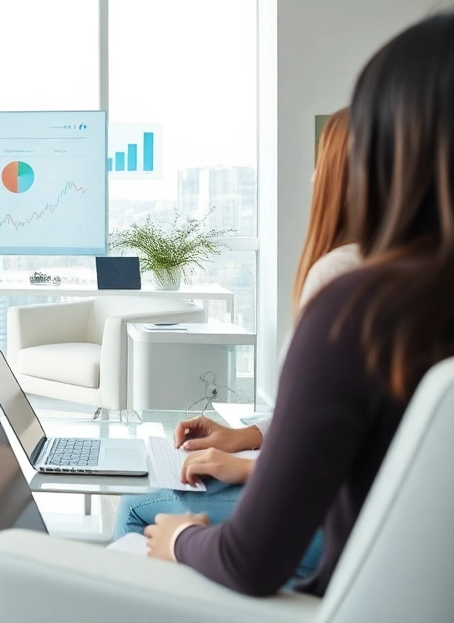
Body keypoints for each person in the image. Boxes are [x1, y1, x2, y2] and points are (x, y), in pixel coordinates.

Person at [142, 6, 454, 596]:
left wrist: (180, 538)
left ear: (386, 151)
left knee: (141, 523)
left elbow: (252, 561)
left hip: (350, 605)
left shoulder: (361, 311)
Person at [113, 108, 358, 581]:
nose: (311, 178)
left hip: (330, 526)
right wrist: (244, 439)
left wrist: (239, 475)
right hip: (350, 517)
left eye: (322, 163)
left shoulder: (343, 276)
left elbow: (324, 465)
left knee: (141, 508)